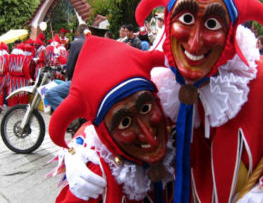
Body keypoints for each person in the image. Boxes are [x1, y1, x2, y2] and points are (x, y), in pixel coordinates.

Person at [65, 0, 263, 202]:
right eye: (186, 19)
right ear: (169, 21)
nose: (195, 43)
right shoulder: (158, 77)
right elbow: (112, 109)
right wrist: (82, 147)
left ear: (231, 32)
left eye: (213, 23)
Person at [49, 36, 174, 202]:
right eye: (124, 123)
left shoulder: (177, 126)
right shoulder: (97, 174)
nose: (148, 135)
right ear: (105, 134)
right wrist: (75, 148)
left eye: (146, 108)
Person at [45, 24, 88, 111]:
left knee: (50, 93)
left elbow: (70, 64)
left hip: (78, 81)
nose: (63, 35)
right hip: (89, 81)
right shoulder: (92, 43)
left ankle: (69, 113)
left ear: (78, 32)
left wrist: (67, 74)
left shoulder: (76, 43)